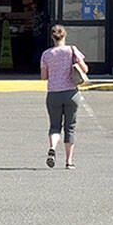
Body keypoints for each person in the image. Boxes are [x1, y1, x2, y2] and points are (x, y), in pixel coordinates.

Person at [40, 24, 87, 169]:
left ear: (52, 38)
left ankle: (53, 148)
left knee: (55, 126)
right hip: (71, 93)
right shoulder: (72, 50)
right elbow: (85, 69)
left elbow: (44, 77)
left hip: (53, 94)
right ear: (64, 36)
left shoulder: (46, 54)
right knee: (70, 127)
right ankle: (69, 161)